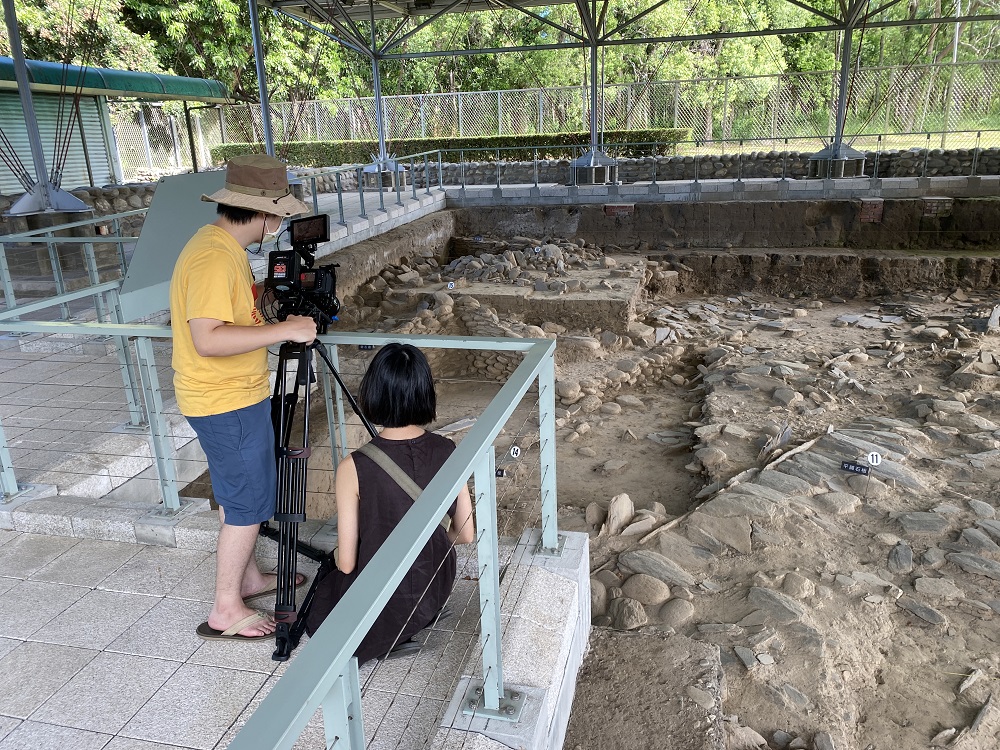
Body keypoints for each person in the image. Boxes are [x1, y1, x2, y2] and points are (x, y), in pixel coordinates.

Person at [170, 154, 317, 641]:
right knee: (249, 501)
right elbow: (207, 339)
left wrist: (260, 302)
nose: (281, 224)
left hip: (232, 396)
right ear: (263, 212)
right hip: (224, 400)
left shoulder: (221, 248)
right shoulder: (214, 257)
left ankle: (249, 578)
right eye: (280, 214)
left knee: (238, 493)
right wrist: (286, 329)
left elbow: (225, 316)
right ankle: (226, 608)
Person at [304, 343, 475, 662]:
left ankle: (388, 633)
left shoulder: (353, 467)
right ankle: (416, 618)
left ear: (373, 392)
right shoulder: (447, 451)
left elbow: (347, 563)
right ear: (425, 393)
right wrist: (433, 543)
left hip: (383, 599)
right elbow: (466, 534)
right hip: (433, 585)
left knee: (326, 592)